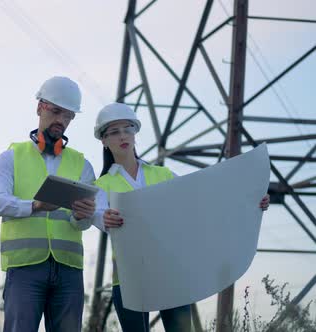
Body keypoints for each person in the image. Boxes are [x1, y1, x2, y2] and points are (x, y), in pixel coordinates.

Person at [91, 102, 270, 332]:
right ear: (104, 141)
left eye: (127, 129)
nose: (122, 136)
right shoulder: (102, 185)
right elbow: (95, 215)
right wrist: (104, 219)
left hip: (171, 272)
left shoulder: (163, 174)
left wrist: (250, 201)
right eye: (114, 132)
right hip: (128, 278)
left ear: (135, 133)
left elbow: (198, 203)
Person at [0, 76, 103, 332]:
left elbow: (80, 224)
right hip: (25, 269)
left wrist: (83, 216)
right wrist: (35, 206)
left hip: (69, 271)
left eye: (69, 116)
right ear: (40, 107)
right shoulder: (10, 158)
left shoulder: (82, 165)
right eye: (56, 111)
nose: (61, 120)